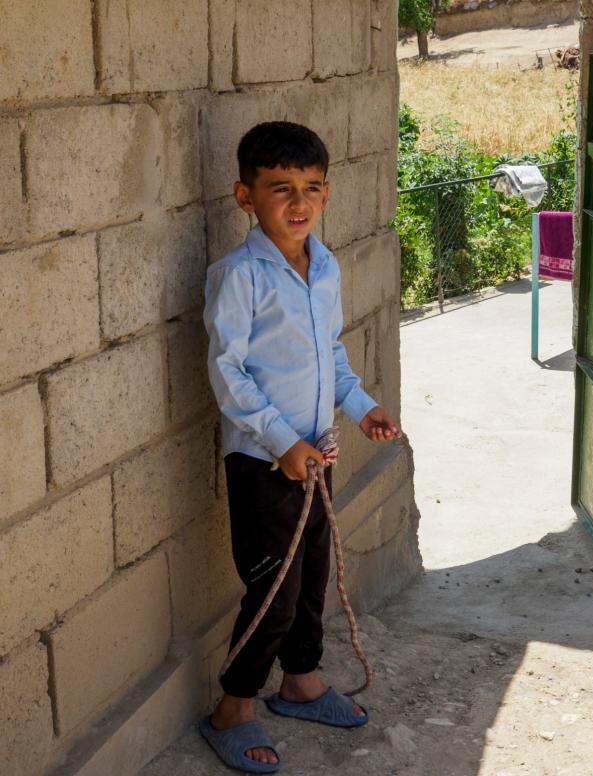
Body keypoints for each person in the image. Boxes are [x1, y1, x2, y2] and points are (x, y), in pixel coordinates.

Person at [199, 121, 401, 773]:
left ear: (327, 194)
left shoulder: (324, 265)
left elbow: (330, 355)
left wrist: (362, 406)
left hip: (316, 457)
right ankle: (233, 709)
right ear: (244, 196)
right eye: (280, 187)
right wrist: (282, 442)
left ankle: (302, 682)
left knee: (312, 573)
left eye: (312, 187)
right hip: (264, 462)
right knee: (274, 592)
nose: (299, 202)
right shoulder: (239, 275)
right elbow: (227, 373)